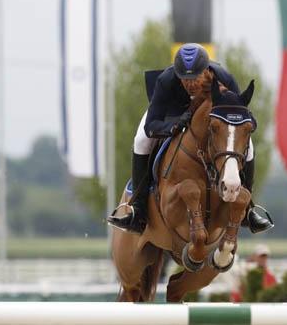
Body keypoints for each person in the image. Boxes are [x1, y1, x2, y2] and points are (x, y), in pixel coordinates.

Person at [108, 43, 273, 235]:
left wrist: (248, 122)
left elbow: (240, 112)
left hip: (214, 121)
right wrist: (175, 125)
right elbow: (151, 124)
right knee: (141, 140)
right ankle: (138, 209)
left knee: (249, 147)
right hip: (170, 115)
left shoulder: (223, 78)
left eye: (194, 77)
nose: (189, 83)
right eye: (184, 78)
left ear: (206, 70)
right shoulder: (166, 80)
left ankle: (247, 209)